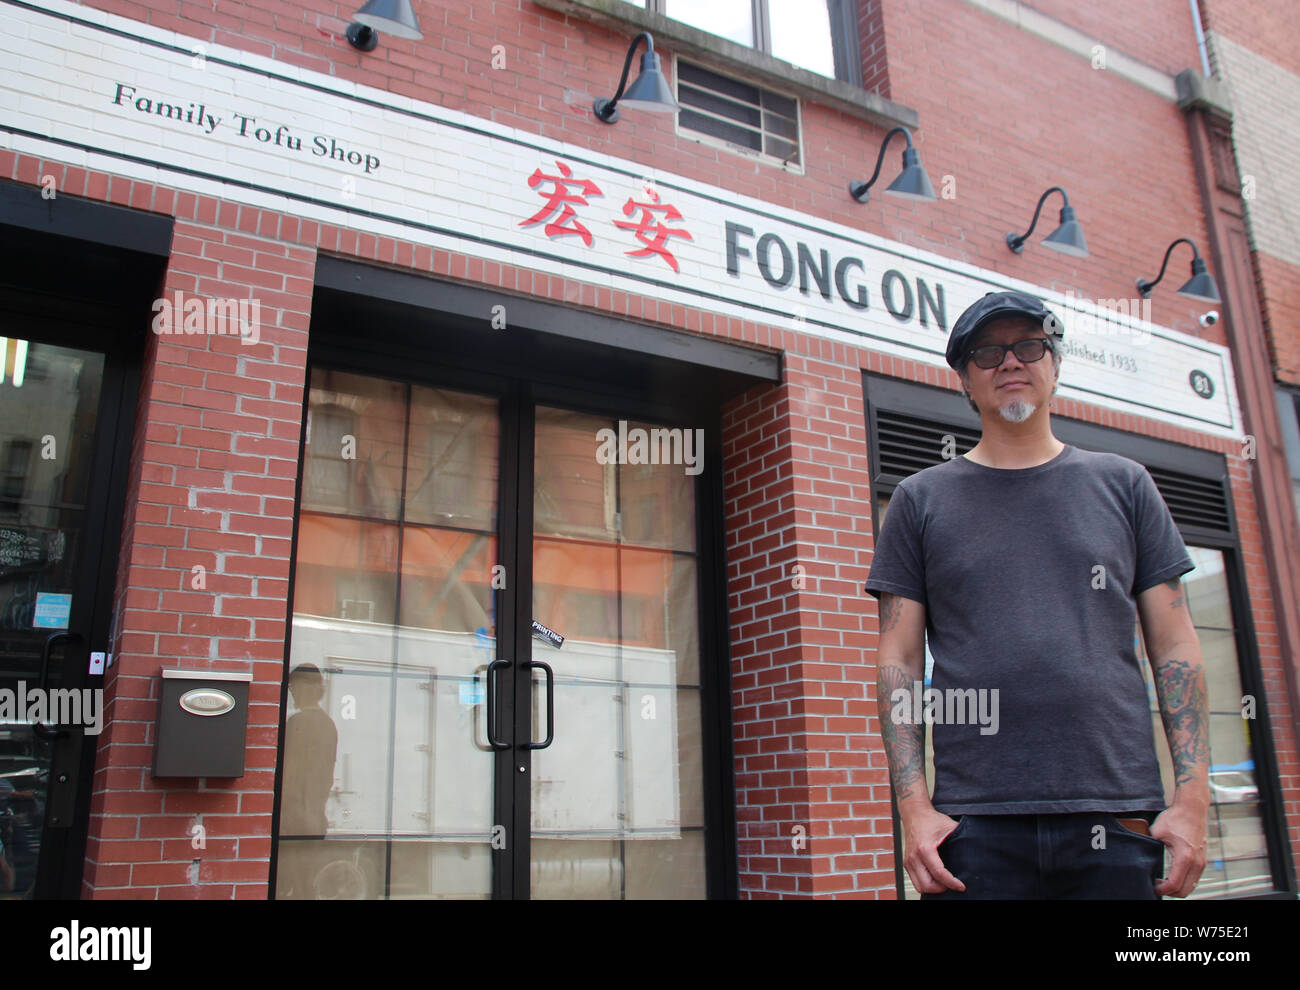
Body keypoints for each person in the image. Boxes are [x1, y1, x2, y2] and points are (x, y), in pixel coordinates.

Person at [865, 290, 1210, 899]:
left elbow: (1176, 643)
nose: (1010, 362)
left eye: (1029, 345)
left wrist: (1193, 797)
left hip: (1119, 816)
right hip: (974, 826)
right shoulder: (921, 501)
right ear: (965, 383)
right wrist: (913, 806)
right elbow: (899, 662)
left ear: (1054, 365)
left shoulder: (1124, 484)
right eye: (987, 352)